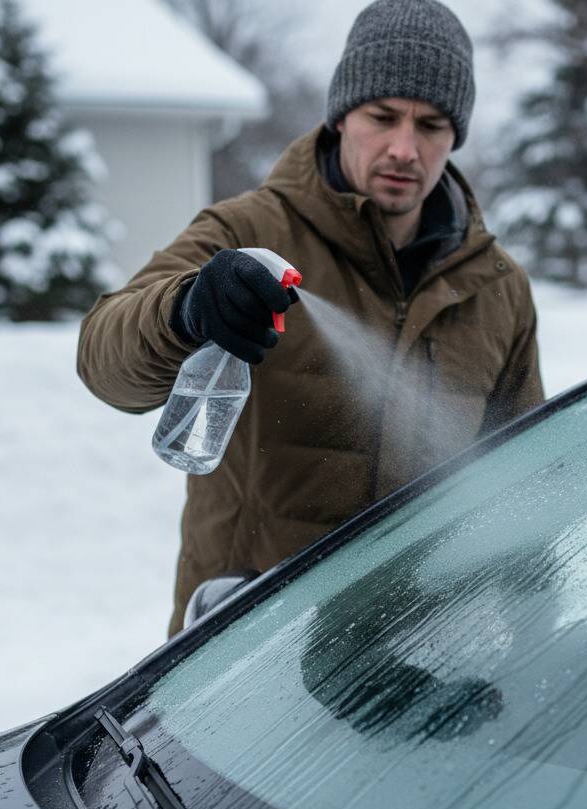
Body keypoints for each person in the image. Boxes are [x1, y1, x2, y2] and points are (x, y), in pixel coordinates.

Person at [77, 0, 545, 637]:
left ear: (455, 136)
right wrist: (187, 309)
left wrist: (532, 645)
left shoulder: (497, 288)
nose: (405, 148)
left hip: (420, 646)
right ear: (342, 115)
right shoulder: (247, 231)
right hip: (246, 649)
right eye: (383, 117)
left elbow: (523, 485)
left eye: (431, 125)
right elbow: (103, 362)